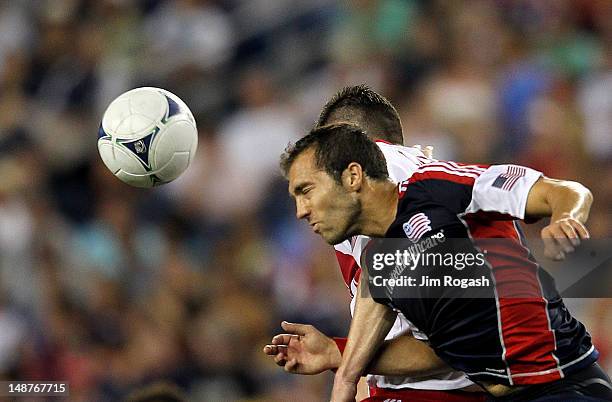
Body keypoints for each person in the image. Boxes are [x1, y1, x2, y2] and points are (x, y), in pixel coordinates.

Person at [280, 123, 612, 401]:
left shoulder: (437, 189)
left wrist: (566, 219)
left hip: (565, 383)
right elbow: (434, 354)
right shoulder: (381, 263)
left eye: (306, 190)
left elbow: (565, 190)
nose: (301, 210)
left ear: (353, 176)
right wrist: (338, 358)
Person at [265, 85, 487, 401]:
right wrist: (345, 370)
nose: (302, 211)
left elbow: (451, 347)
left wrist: (337, 354)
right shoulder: (382, 207)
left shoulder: (397, 190)